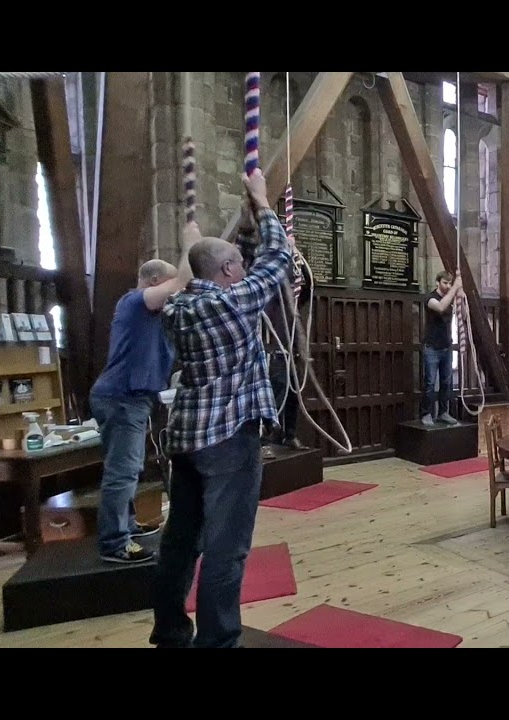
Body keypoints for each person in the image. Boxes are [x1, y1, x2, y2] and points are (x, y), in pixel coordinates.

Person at [149, 168, 293, 649]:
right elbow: (279, 259)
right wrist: (262, 201)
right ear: (228, 271)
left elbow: (194, 273)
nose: (245, 268)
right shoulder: (235, 302)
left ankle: (170, 632)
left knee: (180, 542)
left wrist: (199, 243)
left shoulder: (177, 309)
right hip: (229, 439)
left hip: (186, 438)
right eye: (237, 261)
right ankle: (218, 642)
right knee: (226, 550)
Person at [88, 228, 194, 564]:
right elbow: (179, 286)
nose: (172, 296)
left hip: (131, 398)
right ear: (152, 282)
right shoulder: (135, 302)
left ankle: (127, 526)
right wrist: (191, 243)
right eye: (165, 286)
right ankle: (114, 543)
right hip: (121, 398)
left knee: (128, 467)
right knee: (123, 470)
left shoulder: (154, 317)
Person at [265, 254, 313, 450]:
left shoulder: (294, 304)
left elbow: (307, 290)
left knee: (294, 394)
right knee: (278, 394)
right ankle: (267, 439)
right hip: (275, 353)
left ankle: (290, 435)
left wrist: (300, 267)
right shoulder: (271, 302)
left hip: (292, 354)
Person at [421, 271, 461, 426]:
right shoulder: (430, 298)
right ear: (437, 282)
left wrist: (461, 294)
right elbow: (440, 307)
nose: (448, 286)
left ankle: (443, 412)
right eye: (445, 283)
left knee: (446, 381)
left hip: (446, 347)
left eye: (450, 283)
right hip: (432, 347)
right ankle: (426, 413)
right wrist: (456, 287)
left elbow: (461, 313)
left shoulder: (450, 298)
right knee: (430, 383)